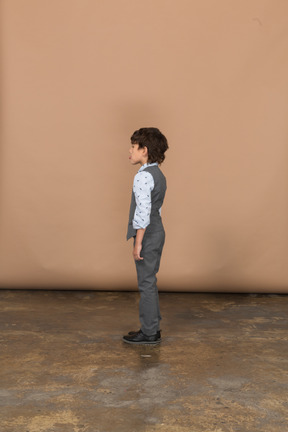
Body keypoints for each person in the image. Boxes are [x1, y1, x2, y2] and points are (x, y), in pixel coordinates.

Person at [123, 127, 168, 345]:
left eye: (133, 147)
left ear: (144, 150)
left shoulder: (142, 177)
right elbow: (155, 209)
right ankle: (152, 327)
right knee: (150, 281)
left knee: (146, 282)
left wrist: (138, 242)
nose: (130, 151)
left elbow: (143, 211)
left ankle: (149, 332)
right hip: (157, 230)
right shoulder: (158, 174)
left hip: (148, 233)